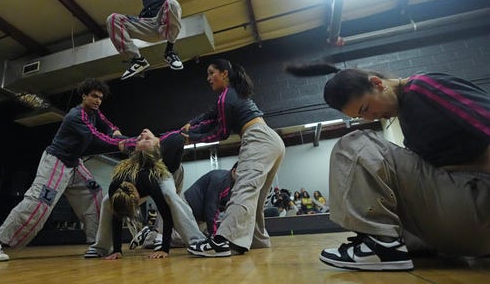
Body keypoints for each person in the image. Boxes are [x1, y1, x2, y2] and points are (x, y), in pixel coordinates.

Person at [287, 63, 490, 271]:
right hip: (465, 226)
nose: (369, 118)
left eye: (365, 108)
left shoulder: (422, 86)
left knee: (353, 144)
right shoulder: (405, 114)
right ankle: (391, 242)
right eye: (360, 116)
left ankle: (382, 245)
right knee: (394, 210)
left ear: (377, 83)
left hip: (479, 200)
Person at [0, 78, 127, 261]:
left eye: (100, 98)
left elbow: (107, 124)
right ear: (84, 96)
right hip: (57, 162)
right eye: (94, 96)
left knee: (94, 194)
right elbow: (96, 138)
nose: (97, 101)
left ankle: (99, 244)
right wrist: (125, 142)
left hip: (74, 163)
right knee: (39, 202)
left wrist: (116, 130)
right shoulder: (76, 116)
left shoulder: (95, 112)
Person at [182, 59, 286, 257]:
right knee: (256, 197)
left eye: (211, 73)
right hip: (272, 140)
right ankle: (257, 240)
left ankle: (223, 242)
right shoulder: (232, 94)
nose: (208, 79)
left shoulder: (226, 97)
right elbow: (211, 115)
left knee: (243, 190)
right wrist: (191, 124)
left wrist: (192, 138)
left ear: (224, 74)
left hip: (257, 139)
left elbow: (220, 133)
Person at [84, 129, 205, 259]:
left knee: (170, 195)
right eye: (139, 139)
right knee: (107, 201)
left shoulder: (171, 142)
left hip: (162, 172)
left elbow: (165, 213)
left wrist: (165, 249)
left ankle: (197, 241)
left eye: (147, 139)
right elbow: (117, 214)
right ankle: (101, 247)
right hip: (137, 177)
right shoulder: (118, 181)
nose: (141, 134)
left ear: (158, 143)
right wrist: (117, 250)